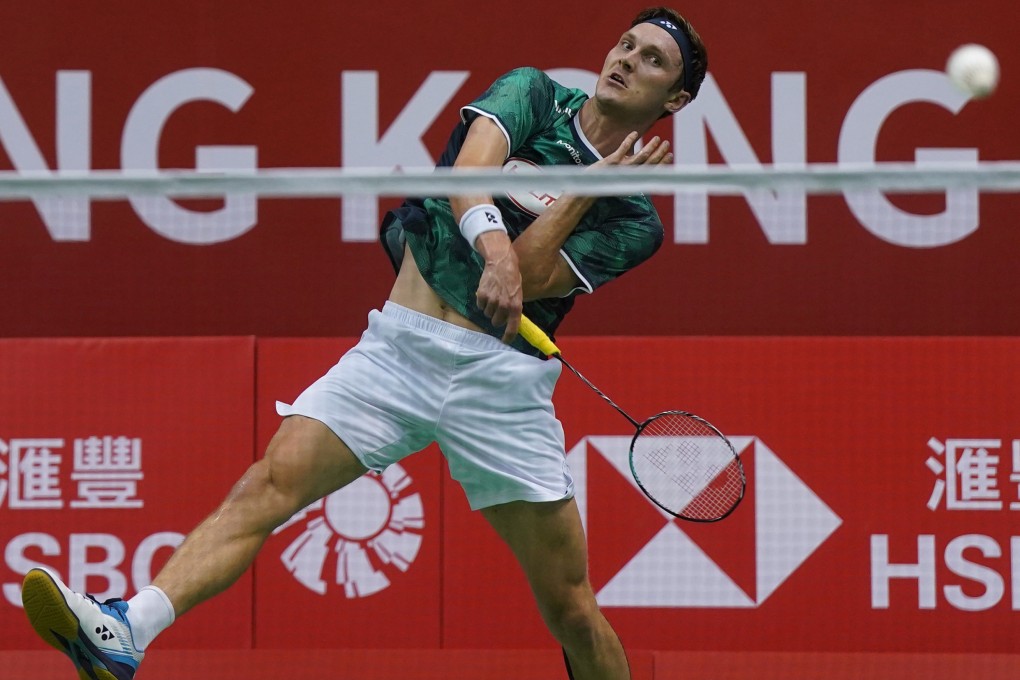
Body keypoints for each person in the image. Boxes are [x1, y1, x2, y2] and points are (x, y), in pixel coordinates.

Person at [21, 7, 708, 680]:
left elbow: (527, 276)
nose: (624, 60)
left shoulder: (632, 220)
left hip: (502, 386)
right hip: (400, 349)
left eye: (651, 60)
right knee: (267, 486)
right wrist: (493, 245)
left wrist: (585, 191)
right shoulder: (533, 93)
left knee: (570, 610)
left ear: (673, 98)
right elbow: (468, 175)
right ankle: (127, 630)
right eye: (625, 44)